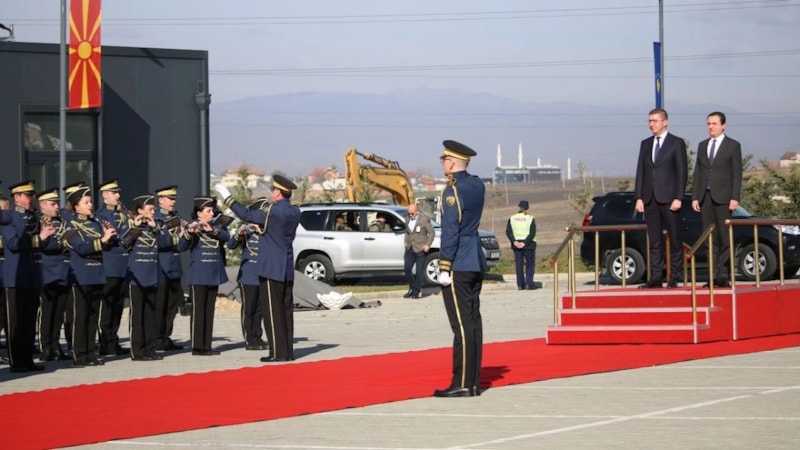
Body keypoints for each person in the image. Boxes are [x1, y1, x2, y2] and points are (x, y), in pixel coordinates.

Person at [215, 174, 301, 362]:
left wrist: (227, 197)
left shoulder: (272, 211)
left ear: (278, 193)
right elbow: (272, 230)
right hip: (285, 267)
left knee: (271, 312)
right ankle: (287, 352)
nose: (272, 194)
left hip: (270, 268)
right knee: (285, 312)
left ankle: (277, 353)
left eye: (274, 191)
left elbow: (245, 214)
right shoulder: (295, 211)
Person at [434, 140, 487, 398]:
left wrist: (444, 265)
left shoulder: (451, 192)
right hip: (475, 258)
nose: (443, 163)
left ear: (451, 163)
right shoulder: (477, 185)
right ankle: (473, 381)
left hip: (459, 263)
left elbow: (450, 231)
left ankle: (463, 382)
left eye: (444, 159)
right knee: (473, 322)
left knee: (462, 326)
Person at [0, 181, 54, 372]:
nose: (31, 199)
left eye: (32, 196)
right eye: (27, 195)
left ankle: (28, 360)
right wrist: (40, 237)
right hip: (16, 277)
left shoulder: (34, 216)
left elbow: (44, 246)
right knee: (15, 324)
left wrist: (47, 237)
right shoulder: (9, 217)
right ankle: (17, 363)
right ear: (17, 198)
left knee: (29, 322)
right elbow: (14, 243)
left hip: (33, 275)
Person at [634, 108, 688, 289]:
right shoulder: (645, 144)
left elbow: (682, 172)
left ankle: (675, 276)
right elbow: (641, 171)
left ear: (665, 122)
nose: (651, 124)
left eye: (655, 121)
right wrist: (639, 197)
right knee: (654, 240)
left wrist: (679, 196)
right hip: (650, 198)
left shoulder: (676, 143)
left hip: (670, 198)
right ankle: (656, 276)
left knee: (674, 239)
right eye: (649, 121)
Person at [65, 185, 117, 366]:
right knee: (81, 316)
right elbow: (82, 248)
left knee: (93, 316)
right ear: (76, 206)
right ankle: (79, 355)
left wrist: (110, 237)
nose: (90, 205)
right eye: (86, 202)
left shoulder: (96, 223)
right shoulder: (71, 225)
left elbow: (106, 248)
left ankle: (90, 352)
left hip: (97, 273)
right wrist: (102, 240)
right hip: (81, 275)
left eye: (90, 202)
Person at [692, 111, 743, 288]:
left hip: (724, 198)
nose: (711, 127)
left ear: (723, 125)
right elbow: (698, 172)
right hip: (705, 198)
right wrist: (695, 196)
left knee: (724, 238)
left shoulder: (732, 146)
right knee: (710, 238)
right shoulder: (702, 145)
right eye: (708, 124)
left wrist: (735, 197)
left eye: (714, 123)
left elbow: (737, 173)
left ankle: (723, 274)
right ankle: (713, 275)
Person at [180, 196, 231, 356]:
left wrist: (213, 230)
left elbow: (226, 238)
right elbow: (181, 246)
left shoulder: (216, 226)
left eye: (212, 210)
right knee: (198, 311)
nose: (212, 213)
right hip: (199, 274)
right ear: (199, 213)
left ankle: (207, 345)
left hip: (213, 273)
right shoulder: (192, 227)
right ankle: (197, 346)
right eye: (208, 211)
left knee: (209, 311)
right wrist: (189, 232)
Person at [125, 194, 170, 361]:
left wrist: (155, 228)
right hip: (137, 276)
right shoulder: (130, 225)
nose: (153, 211)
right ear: (139, 210)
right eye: (150, 209)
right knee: (138, 315)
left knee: (151, 314)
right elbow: (124, 244)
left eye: (154, 209)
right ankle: (138, 351)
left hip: (153, 274)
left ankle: (150, 348)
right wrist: (135, 230)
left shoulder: (157, 225)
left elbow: (166, 243)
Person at [227, 197, 269, 351]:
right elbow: (231, 246)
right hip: (248, 276)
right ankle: (249, 338)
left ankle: (258, 336)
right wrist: (239, 234)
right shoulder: (246, 231)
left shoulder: (267, 230)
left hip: (263, 275)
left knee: (260, 309)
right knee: (249, 309)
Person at [95, 179, 131, 356]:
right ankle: (104, 341)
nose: (118, 196)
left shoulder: (123, 214)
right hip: (109, 265)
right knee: (107, 305)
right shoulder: (100, 215)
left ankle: (113, 339)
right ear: (104, 195)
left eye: (118, 192)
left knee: (117, 305)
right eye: (114, 193)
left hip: (123, 265)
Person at [36, 188, 72, 361]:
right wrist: (60, 242)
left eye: (57, 203)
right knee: (47, 311)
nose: (57, 206)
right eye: (53, 204)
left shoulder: (62, 221)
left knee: (59, 312)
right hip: (47, 271)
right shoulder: (39, 222)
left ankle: (56, 345)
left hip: (63, 271)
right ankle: (46, 346)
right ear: (43, 206)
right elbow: (43, 246)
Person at [153, 185, 186, 351]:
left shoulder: (176, 216)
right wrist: (177, 237)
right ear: (161, 200)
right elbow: (159, 241)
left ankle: (166, 336)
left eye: (174, 199)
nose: (173, 202)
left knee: (172, 305)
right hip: (161, 265)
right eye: (170, 199)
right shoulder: (156, 218)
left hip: (174, 265)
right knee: (161, 304)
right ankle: (157, 337)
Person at [403, 203, 434, 299]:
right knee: (407, 268)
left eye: (412, 213)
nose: (410, 215)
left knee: (419, 271)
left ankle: (417, 291)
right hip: (410, 248)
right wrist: (405, 242)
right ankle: (412, 288)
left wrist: (427, 245)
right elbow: (407, 232)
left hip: (420, 248)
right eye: (409, 213)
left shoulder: (424, 220)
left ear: (417, 212)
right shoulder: (407, 220)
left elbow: (432, 232)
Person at [506, 200, 538, 290]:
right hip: (529, 244)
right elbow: (532, 232)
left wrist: (514, 241)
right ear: (527, 208)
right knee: (530, 265)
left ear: (519, 207)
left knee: (519, 265)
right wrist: (525, 243)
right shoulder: (530, 218)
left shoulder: (512, 218)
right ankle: (529, 284)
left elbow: (508, 231)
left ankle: (520, 285)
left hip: (516, 244)